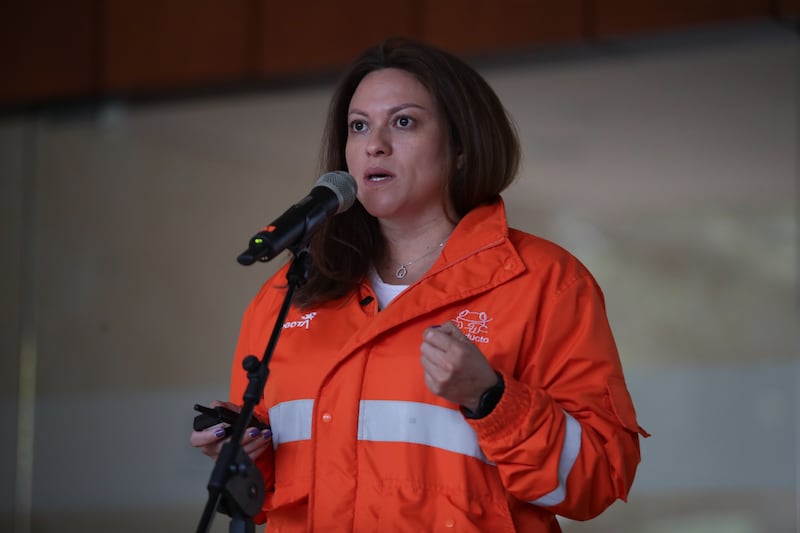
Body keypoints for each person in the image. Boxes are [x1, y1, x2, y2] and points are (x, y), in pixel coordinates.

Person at [191, 36, 648, 532]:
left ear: (461, 148)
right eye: (359, 126)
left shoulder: (544, 281)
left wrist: (492, 400)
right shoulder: (291, 291)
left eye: (403, 122)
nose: (375, 144)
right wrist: (242, 453)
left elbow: (599, 478)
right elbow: (272, 493)